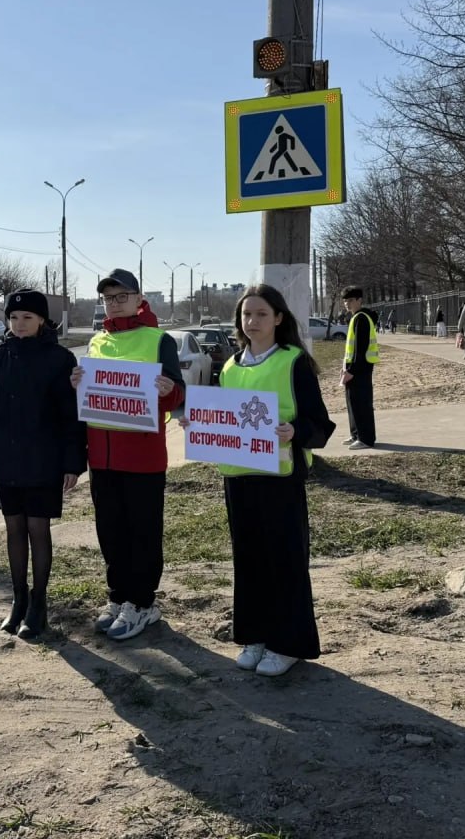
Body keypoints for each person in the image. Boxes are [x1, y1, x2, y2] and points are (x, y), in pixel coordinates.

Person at [179, 285, 334, 676]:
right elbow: (225, 416)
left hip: (279, 478)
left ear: (279, 318)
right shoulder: (230, 366)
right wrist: (197, 422)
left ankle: (289, 643)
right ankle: (255, 635)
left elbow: (319, 423)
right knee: (249, 559)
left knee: (285, 559)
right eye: (247, 315)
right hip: (238, 476)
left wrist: (293, 431)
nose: (253, 322)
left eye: (261, 314)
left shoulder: (294, 361)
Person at [0, 290, 86, 641]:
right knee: (13, 529)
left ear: (42, 321)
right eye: (13, 318)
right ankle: (18, 600)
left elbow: (70, 418)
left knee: (37, 529)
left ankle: (39, 604)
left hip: (43, 463)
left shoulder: (60, 361)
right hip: (6, 462)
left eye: (27, 318)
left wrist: (72, 463)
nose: (19, 325)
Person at [70, 268, 184, 642]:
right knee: (110, 531)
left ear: (138, 299)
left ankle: (143, 603)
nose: (114, 303)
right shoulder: (98, 342)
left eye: (121, 297)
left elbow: (176, 394)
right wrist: (78, 384)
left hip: (142, 456)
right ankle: (118, 597)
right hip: (101, 456)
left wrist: (168, 389)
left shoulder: (158, 340)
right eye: (108, 298)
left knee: (143, 532)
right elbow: (90, 394)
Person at [339, 286, 378, 449]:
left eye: (350, 300)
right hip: (354, 367)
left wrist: (352, 370)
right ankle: (356, 434)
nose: (347, 304)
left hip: (360, 368)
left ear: (359, 300)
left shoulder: (361, 318)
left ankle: (366, 438)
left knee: (361, 403)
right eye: (345, 301)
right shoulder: (356, 318)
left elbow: (360, 349)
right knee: (352, 402)